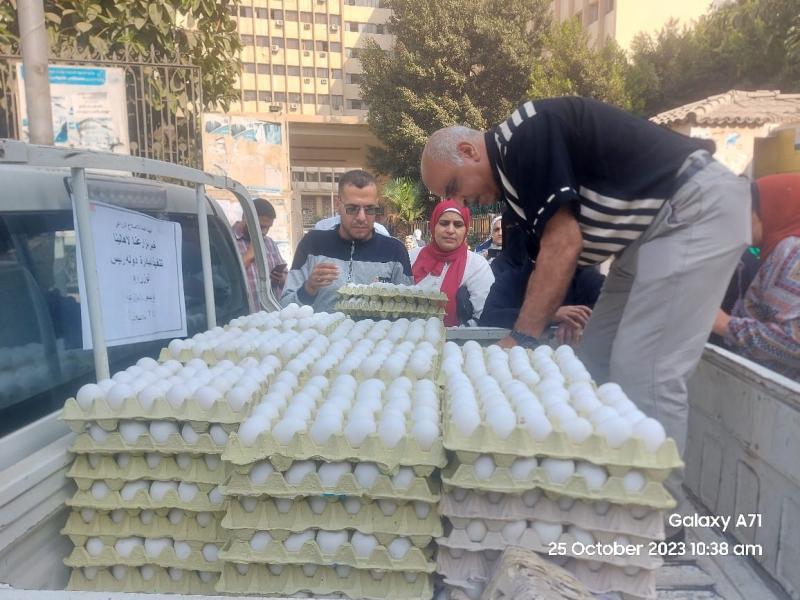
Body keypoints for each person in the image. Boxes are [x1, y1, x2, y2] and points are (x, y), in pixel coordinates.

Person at [420, 97, 750, 465]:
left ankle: (659, 514)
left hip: (692, 209)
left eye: (453, 186)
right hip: (644, 235)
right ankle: (604, 472)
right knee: (595, 357)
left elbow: (563, 243)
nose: (458, 201)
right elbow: (541, 260)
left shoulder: (525, 135)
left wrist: (524, 337)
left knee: (645, 372)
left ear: (469, 151)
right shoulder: (512, 183)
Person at [282, 170, 412, 313]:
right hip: (321, 334)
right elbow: (285, 305)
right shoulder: (312, 245)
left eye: (369, 209)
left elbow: (411, 308)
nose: (361, 217)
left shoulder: (395, 251)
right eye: (352, 209)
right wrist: (309, 288)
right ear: (338, 204)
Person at [712, 173, 800, 380]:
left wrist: (724, 324)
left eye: (749, 210)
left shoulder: (792, 252)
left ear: (774, 210)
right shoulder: (777, 249)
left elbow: (795, 343)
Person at [480, 211, 602, 342]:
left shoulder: (583, 277)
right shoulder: (510, 279)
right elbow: (489, 317)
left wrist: (575, 320)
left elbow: (610, 309)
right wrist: (549, 315)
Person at [409, 200, 494, 326]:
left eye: (458, 225)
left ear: (466, 230)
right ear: (433, 226)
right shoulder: (412, 257)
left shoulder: (477, 265)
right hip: (406, 338)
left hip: (455, 341)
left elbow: (484, 314)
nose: (450, 230)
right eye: (444, 223)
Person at [232, 198, 287, 311]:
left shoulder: (269, 243)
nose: (265, 232)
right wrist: (248, 256)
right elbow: (223, 280)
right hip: (242, 319)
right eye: (261, 226)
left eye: (268, 227)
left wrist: (281, 278)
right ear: (245, 218)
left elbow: (287, 277)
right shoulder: (227, 238)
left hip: (271, 316)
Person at [314, 213, 391, 236]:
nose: (361, 217)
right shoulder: (322, 228)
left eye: (368, 207)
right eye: (352, 207)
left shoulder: (380, 231)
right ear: (338, 203)